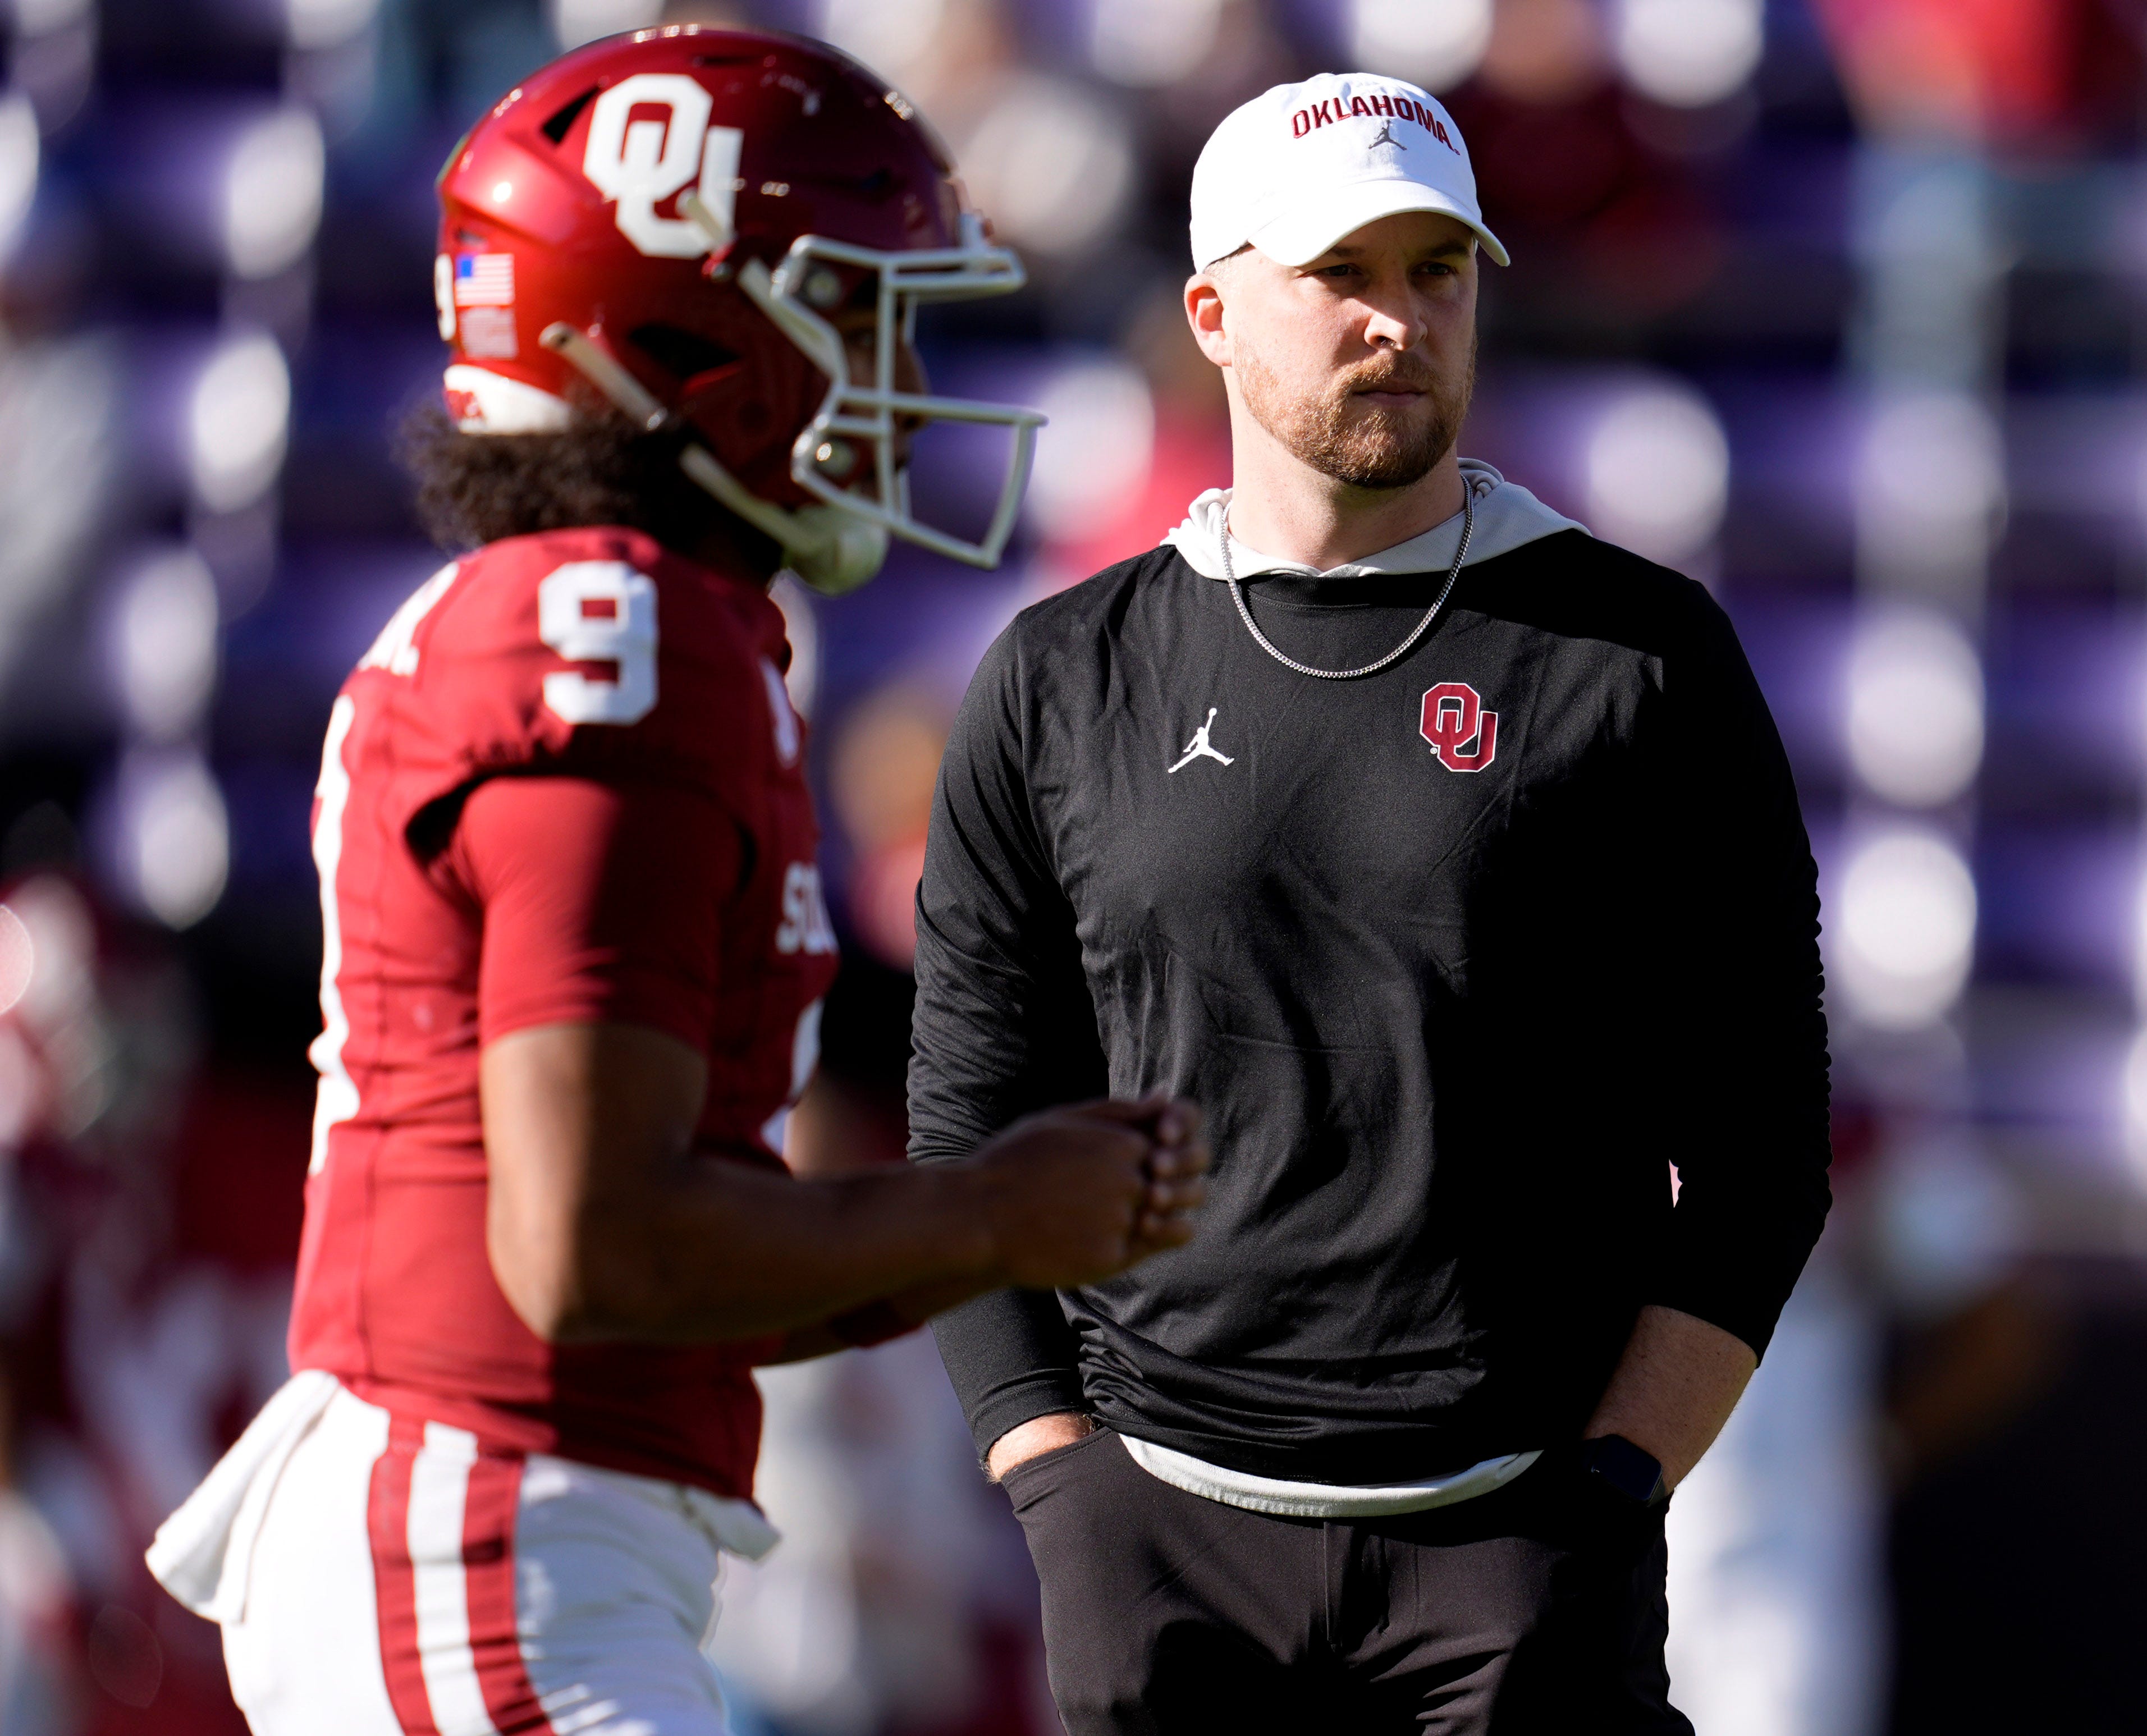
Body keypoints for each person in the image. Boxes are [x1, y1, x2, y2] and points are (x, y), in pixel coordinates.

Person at [140, 29, 1207, 1736]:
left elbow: (665, 1262)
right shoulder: (621, 638)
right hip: (493, 1530)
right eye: (855, 309)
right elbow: (593, 1248)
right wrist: (1001, 1213)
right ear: (691, 335)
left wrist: (992, 1229)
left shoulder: (638, 623)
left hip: (523, 1528)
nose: (900, 371)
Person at [910, 71, 1831, 1734]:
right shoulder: (1060, 678)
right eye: (1341, 274)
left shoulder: (1642, 660)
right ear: (1211, 310)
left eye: (1437, 271)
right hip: (1164, 1546)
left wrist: (1614, 1485)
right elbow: (975, 1115)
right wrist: (1057, 1483)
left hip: (1520, 1553)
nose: (1399, 322)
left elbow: (1762, 1138)